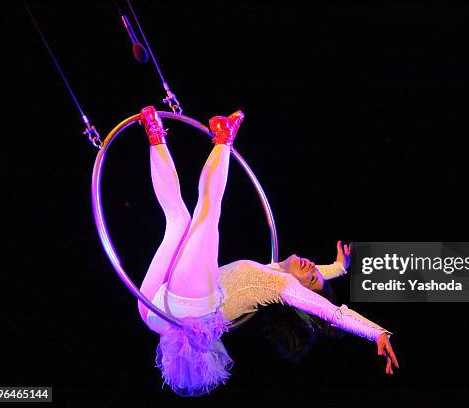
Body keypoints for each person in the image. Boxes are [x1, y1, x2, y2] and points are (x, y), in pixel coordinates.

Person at [136, 106, 399, 397]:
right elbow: (316, 274)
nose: (312, 266)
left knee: (208, 212)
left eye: (310, 278)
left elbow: (333, 313)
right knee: (179, 221)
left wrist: (377, 332)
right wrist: (338, 267)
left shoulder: (279, 283)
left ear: (298, 292)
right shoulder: (275, 270)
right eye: (316, 269)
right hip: (153, 308)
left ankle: (223, 138)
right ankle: (155, 133)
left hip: (186, 310)